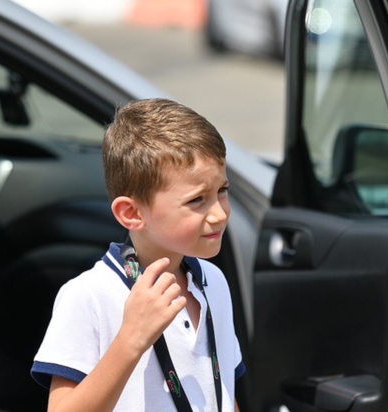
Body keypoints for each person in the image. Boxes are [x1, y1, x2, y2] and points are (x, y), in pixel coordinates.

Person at [31, 98, 244, 411]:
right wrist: (131, 339)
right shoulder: (89, 296)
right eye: (197, 199)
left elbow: (223, 393)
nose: (219, 214)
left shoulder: (213, 281)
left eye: (221, 191)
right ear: (131, 213)